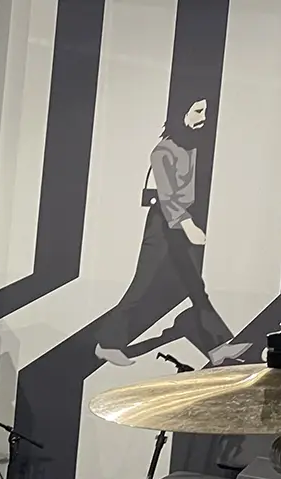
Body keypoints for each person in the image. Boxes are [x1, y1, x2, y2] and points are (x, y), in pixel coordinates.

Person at [94, 96, 249, 368]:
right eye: (197, 111)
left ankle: (217, 347)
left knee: (196, 287)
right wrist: (188, 226)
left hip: (182, 222)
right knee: (142, 286)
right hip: (163, 225)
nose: (203, 117)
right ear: (181, 113)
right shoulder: (162, 151)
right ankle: (106, 344)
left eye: (205, 111)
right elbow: (167, 197)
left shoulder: (192, 146)